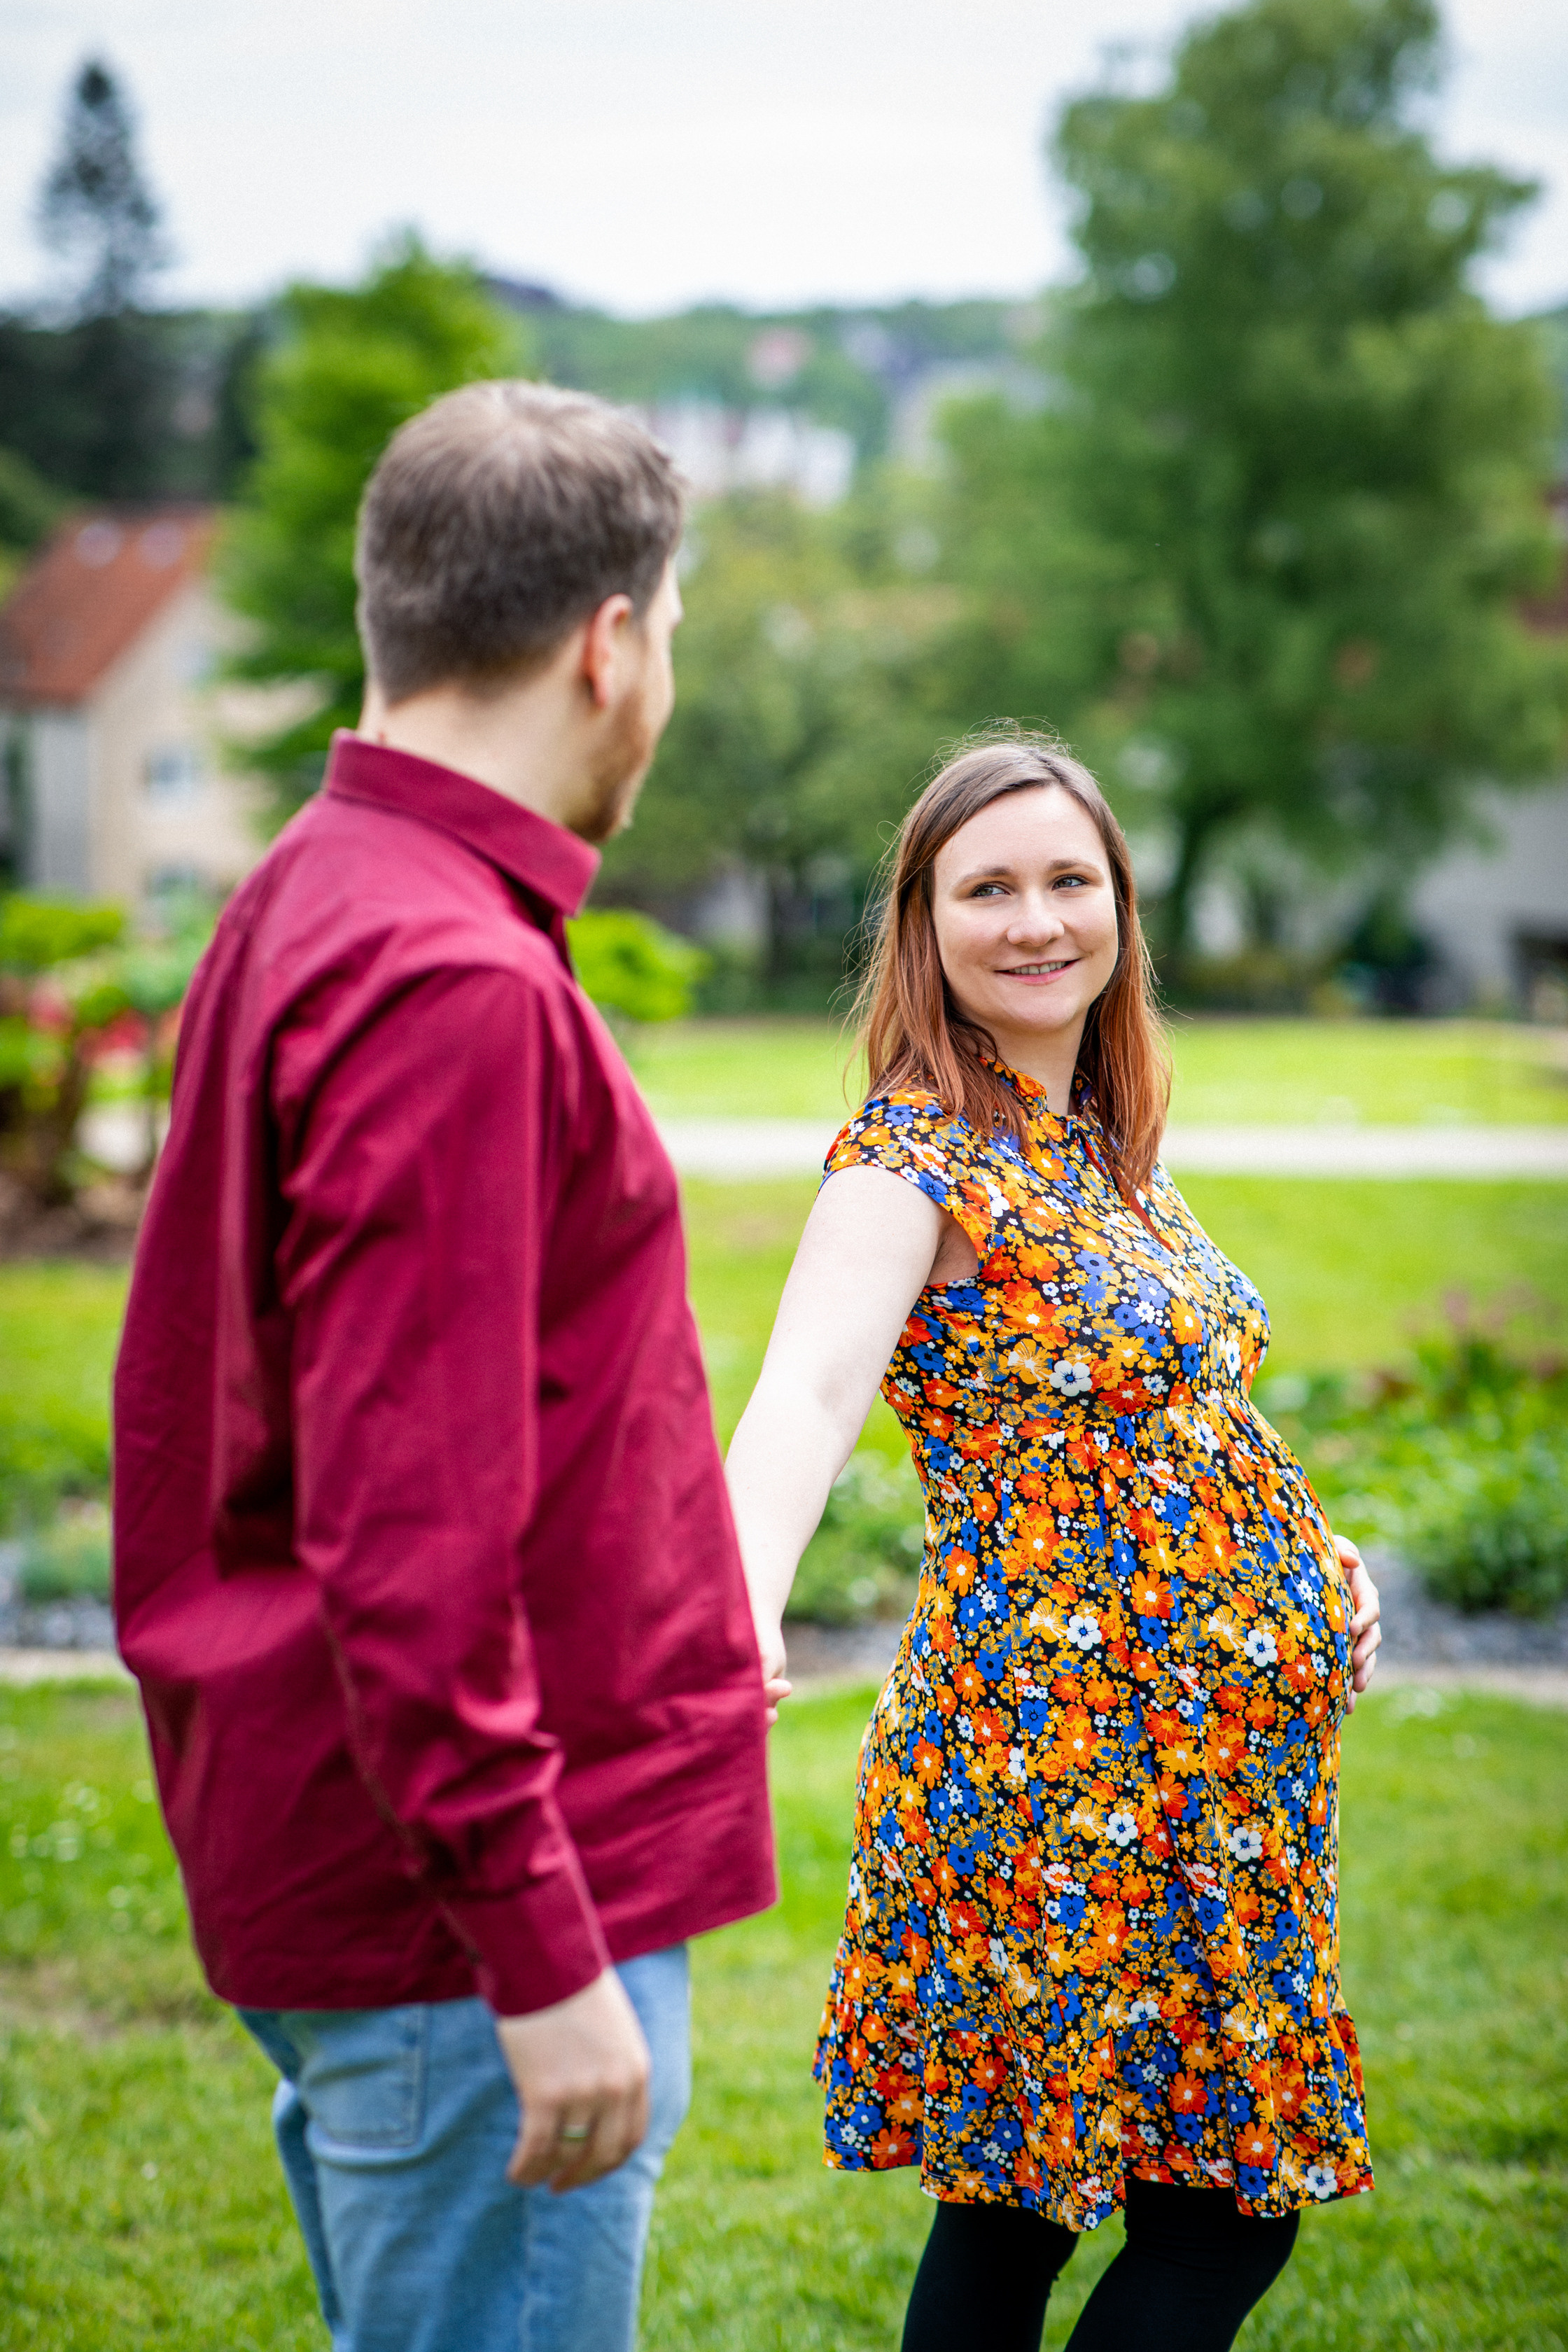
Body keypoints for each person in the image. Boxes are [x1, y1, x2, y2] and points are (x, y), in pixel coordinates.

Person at [113, 381, 776, 2352]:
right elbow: (408, 1533)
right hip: (470, 1921)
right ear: (610, 642)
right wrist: (536, 1946)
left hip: (405, 1875)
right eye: (670, 634)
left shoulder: (317, 892)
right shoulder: (450, 981)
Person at [726, 732, 1382, 2352]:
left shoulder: (1097, 1133)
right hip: (1053, 1769)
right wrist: (735, 1601)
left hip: (1212, 1790)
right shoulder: (915, 1156)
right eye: (987, 888)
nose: (1035, 920)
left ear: (1119, 905)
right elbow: (803, 1394)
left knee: (1185, 2198)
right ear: (923, 925)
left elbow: (1168, 1414)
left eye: (1067, 880)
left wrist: (1318, 1558)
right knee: (1085, 2211)